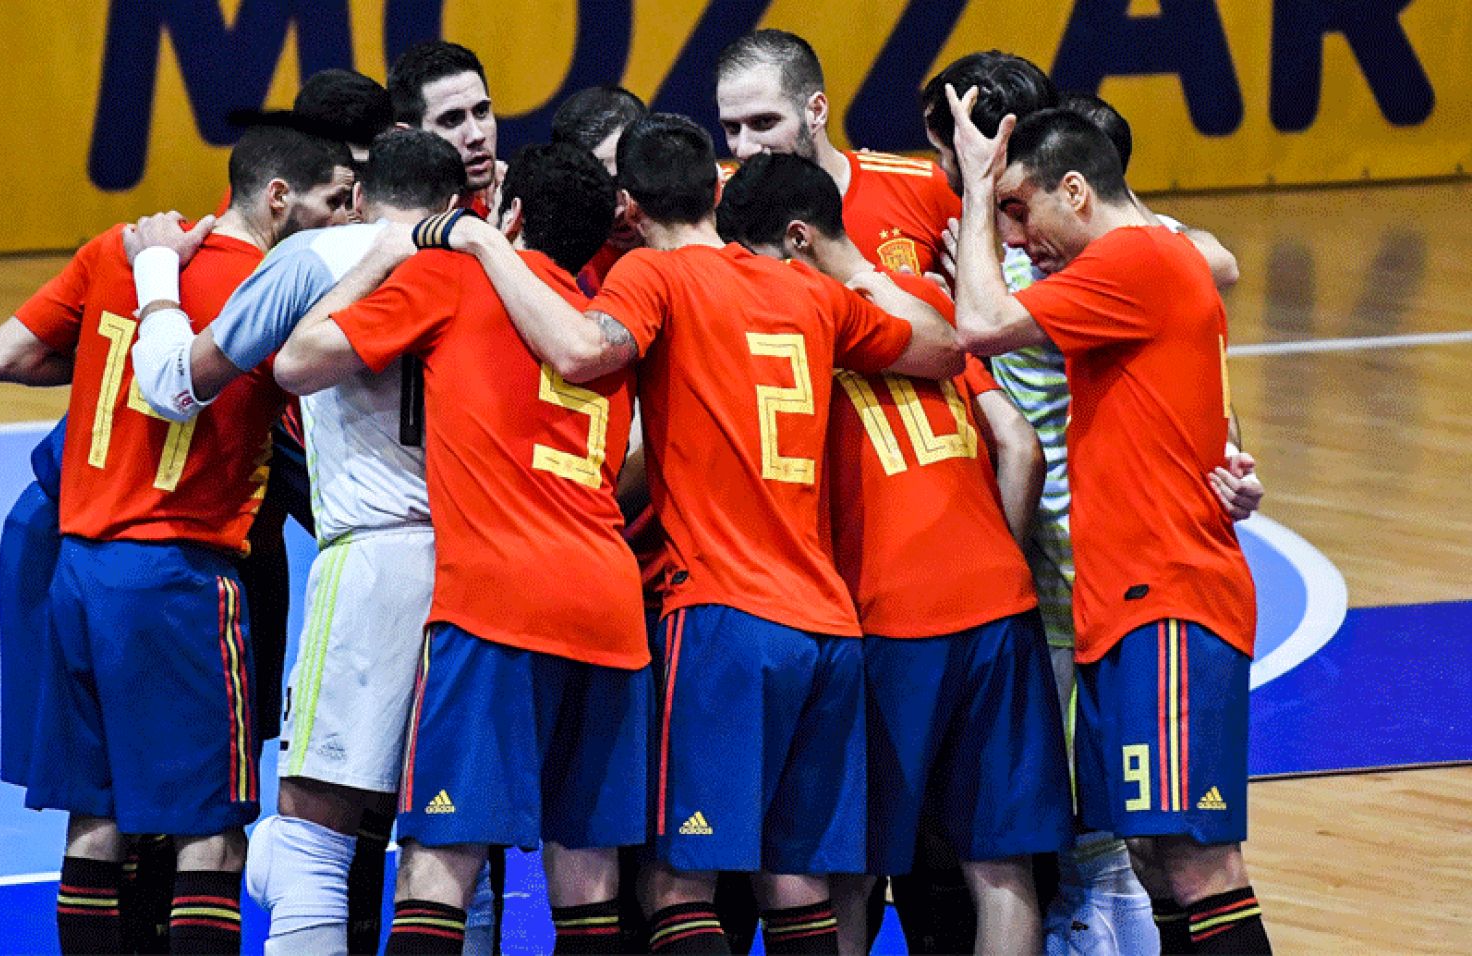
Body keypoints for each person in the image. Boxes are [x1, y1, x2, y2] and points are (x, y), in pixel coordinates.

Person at [432, 111, 963, 954]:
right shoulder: (811, 293)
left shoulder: (654, 277)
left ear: (631, 209)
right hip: (826, 629)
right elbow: (944, 349)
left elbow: (578, 352)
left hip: (722, 616)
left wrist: (486, 244)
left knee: (678, 882)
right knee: (796, 884)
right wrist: (856, 268)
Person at [0, 123, 353, 954]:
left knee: (97, 816)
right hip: (178, 579)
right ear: (280, 197)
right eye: (334, 202)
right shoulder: (271, 291)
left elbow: (0, 357)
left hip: (76, 571)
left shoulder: (121, 249)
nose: (343, 220)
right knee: (210, 832)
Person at [922, 50, 1263, 956]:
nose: (1021, 237)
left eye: (1023, 213)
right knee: (1156, 862)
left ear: (1075, 191)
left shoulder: (1138, 258)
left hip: (1171, 600)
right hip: (1119, 604)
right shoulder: (1141, 267)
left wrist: (978, 186)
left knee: (1198, 865)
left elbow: (981, 324)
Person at [274, 141, 647, 956]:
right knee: (588, 881)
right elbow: (628, 468)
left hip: (497, 605)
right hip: (612, 608)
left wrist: (382, 254)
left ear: (508, 214)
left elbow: (297, 363)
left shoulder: (456, 276)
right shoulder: (602, 328)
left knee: (439, 865)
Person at [126, 128, 470, 956]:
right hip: (478, 565)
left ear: (358, 196)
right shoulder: (491, 261)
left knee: (309, 840)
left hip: (370, 561)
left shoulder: (317, 257)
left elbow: (175, 386)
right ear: (456, 203)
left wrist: (157, 275)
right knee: (450, 846)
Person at [719, 151, 1073, 954]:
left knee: (847, 871)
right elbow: (1020, 445)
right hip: (999, 604)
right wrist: (996, 563)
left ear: (797, 240)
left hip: (887, 618)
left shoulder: (794, 324)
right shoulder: (923, 298)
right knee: (1002, 868)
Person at [714, 29, 960, 275]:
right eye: (732, 128)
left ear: (816, 111)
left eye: (764, 122)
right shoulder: (708, 206)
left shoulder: (925, 188)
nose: (744, 148)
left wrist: (930, 307)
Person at [551, 84, 649, 296]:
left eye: (622, 179)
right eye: (594, 188)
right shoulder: (557, 269)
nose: (617, 210)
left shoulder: (719, 219)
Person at [389, 41, 500, 214]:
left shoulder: (511, 207)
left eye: (481, 111)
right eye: (452, 120)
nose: (476, 135)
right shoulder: (388, 232)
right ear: (407, 138)